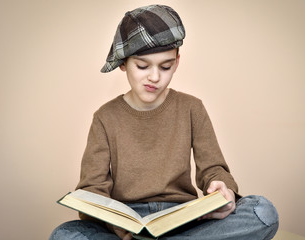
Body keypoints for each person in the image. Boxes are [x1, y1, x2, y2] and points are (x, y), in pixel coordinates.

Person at [50, 4, 279, 240]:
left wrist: (223, 189)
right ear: (123, 63)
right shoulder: (105, 117)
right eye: (142, 66)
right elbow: (92, 190)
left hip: (183, 218)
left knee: (262, 211)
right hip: (128, 224)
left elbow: (213, 169)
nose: (155, 77)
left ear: (177, 62)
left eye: (166, 66)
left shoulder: (192, 108)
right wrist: (119, 227)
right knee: (65, 235)